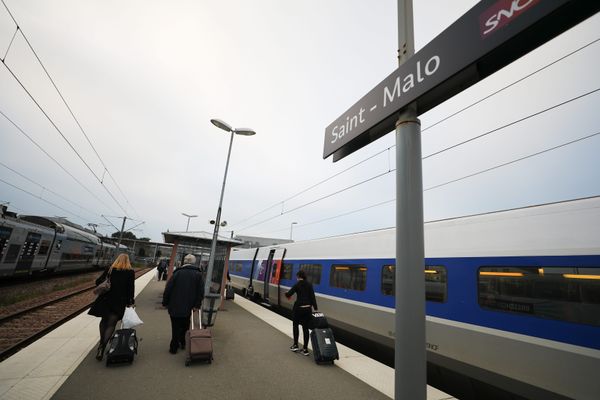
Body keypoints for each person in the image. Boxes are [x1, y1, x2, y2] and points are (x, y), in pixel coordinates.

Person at [88, 253, 135, 361]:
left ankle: (101, 344)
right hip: (119, 301)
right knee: (111, 324)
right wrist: (130, 301)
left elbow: (98, 282)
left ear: (117, 260)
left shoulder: (110, 269)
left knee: (104, 321)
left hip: (106, 300)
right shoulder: (130, 272)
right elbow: (130, 288)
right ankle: (103, 345)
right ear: (128, 261)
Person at [162, 254, 204, 354]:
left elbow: (168, 289)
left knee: (175, 326)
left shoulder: (177, 273)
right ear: (194, 262)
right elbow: (200, 292)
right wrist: (197, 305)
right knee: (185, 326)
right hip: (188, 307)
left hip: (174, 305)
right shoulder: (198, 275)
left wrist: (165, 302)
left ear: (184, 262)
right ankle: (183, 342)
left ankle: (173, 347)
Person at [285, 270, 318, 356]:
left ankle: (295, 345)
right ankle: (305, 349)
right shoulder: (309, 284)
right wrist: (315, 308)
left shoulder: (297, 284)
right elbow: (312, 297)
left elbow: (289, 294)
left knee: (295, 325)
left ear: (299, 276)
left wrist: (286, 294)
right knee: (305, 328)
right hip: (307, 309)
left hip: (298, 309)